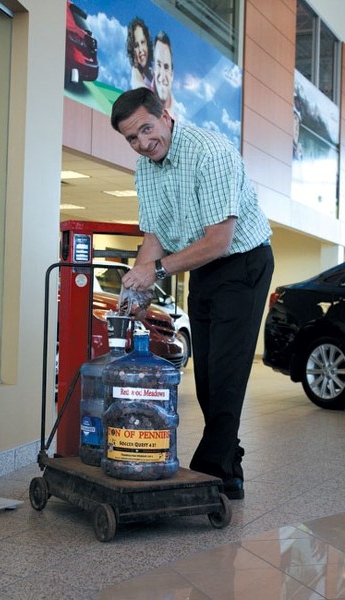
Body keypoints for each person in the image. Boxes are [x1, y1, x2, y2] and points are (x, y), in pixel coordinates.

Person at [110, 88, 274, 500]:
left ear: (165, 115)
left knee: (227, 373)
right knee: (205, 379)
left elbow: (219, 240)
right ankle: (230, 463)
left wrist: (159, 270)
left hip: (242, 262)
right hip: (202, 266)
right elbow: (155, 236)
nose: (144, 143)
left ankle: (209, 473)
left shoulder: (210, 153)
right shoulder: (145, 168)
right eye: (132, 138)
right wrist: (138, 287)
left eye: (147, 129)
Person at [152, 31, 176, 117]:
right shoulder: (138, 99)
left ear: (172, 74)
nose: (162, 77)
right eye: (158, 65)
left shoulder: (176, 119)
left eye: (166, 67)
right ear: (154, 68)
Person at [126, 17, 153, 90]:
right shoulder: (136, 74)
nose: (141, 50)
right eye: (136, 46)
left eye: (143, 42)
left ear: (148, 44)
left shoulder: (151, 72)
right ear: (132, 50)